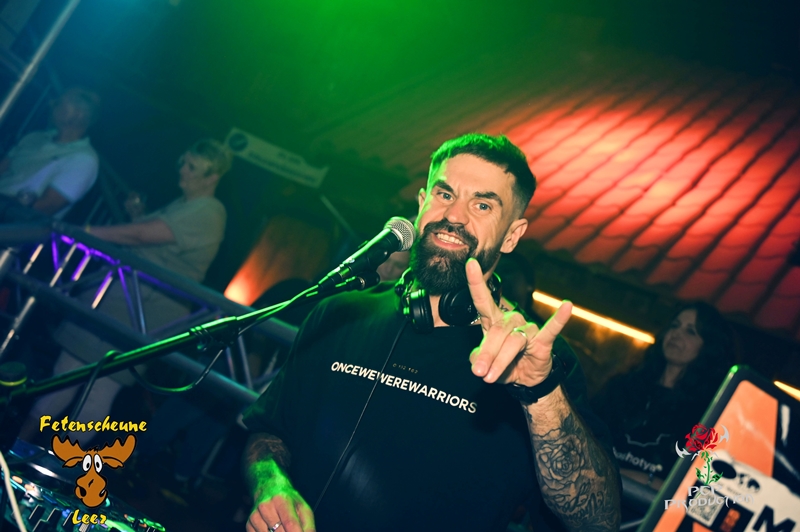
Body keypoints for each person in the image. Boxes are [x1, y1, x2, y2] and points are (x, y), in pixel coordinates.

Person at [242, 133, 621, 532]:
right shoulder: (341, 314)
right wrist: (272, 486)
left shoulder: (538, 358)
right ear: (422, 202)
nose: (454, 215)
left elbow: (598, 520)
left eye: (482, 205)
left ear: (512, 235)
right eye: (444, 194)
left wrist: (539, 393)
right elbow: (268, 432)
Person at [19, 139, 231, 443]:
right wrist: (138, 214)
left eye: (192, 167)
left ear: (213, 177)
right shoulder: (186, 205)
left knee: (99, 389)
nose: (182, 170)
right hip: (121, 304)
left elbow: (143, 236)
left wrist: (88, 232)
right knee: (64, 375)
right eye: (183, 162)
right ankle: (18, 449)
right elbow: (154, 242)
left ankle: (61, 464)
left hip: (141, 314)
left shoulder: (210, 210)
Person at [591, 301, 737, 491]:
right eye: (675, 326)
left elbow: (695, 485)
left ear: (709, 347)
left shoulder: (706, 414)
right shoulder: (622, 387)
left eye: (690, 331)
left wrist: (643, 481)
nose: (676, 334)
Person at [0, 87, 100, 220]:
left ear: (78, 114)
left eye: (59, 102)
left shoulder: (84, 160)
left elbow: (44, 208)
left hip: (12, 223)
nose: (51, 103)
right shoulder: (34, 137)